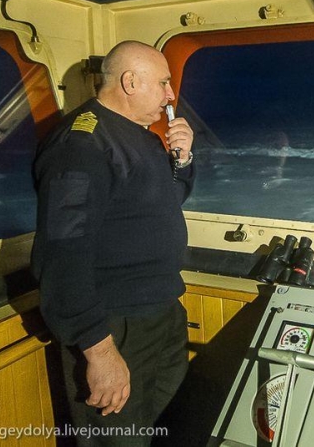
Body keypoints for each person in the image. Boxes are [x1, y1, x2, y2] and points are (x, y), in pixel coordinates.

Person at [31, 40, 195, 445]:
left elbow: (169, 199)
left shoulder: (141, 137)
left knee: (163, 430)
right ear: (130, 81)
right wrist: (99, 351)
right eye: (163, 83)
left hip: (159, 314)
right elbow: (62, 254)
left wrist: (184, 158)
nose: (171, 95)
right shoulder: (81, 145)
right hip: (114, 325)